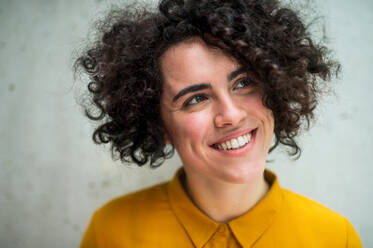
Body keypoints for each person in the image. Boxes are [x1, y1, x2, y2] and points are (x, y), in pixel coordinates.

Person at [74, 0, 363, 247]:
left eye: (244, 82)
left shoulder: (335, 236)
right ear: (158, 126)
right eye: (195, 98)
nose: (232, 115)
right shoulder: (111, 232)